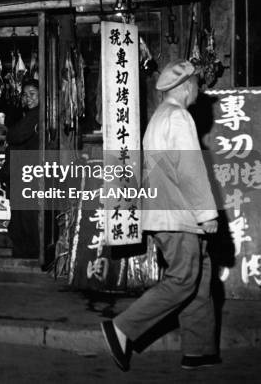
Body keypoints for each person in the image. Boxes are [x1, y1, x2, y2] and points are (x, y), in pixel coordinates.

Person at [100, 59, 220, 372]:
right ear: (185, 86)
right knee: (183, 279)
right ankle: (122, 328)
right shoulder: (179, 117)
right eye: (195, 83)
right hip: (179, 215)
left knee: (200, 277)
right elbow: (190, 169)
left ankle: (199, 349)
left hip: (168, 213)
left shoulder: (160, 117)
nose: (198, 89)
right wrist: (207, 213)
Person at [0, 79, 40, 258]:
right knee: (22, 218)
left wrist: (6, 131)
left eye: (32, 94)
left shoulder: (36, 114)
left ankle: (26, 257)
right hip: (25, 173)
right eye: (25, 94)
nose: (28, 98)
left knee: (24, 219)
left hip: (28, 174)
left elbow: (16, 134)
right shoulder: (30, 114)